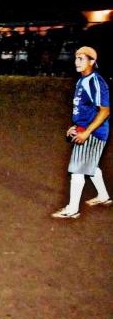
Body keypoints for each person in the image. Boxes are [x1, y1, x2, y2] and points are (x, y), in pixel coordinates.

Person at [52, 46, 111, 219]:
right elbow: (84, 108)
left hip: (94, 132)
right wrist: (75, 126)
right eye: (76, 58)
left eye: (81, 58)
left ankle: (72, 209)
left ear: (92, 61)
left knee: (78, 169)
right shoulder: (81, 81)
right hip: (85, 128)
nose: (77, 61)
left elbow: (105, 111)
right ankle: (103, 196)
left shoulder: (96, 82)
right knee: (90, 165)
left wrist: (86, 132)